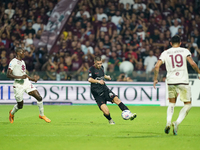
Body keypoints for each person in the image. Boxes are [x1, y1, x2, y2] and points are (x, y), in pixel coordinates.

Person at [153, 35, 200, 135]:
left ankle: (168, 122)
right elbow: (193, 64)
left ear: (170, 43)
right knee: (188, 105)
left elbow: (157, 66)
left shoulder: (165, 53)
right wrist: (199, 73)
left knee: (171, 103)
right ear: (180, 43)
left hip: (171, 81)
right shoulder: (185, 51)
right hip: (183, 81)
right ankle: (177, 122)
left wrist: (155, 79)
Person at [7, 47, 51, 123]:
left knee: (39, 97)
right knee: (20, 106)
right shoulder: (13, 62)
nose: (24, 53)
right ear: (18, 53)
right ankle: (11, 113)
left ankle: (42, 115)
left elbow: (24, 75)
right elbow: (8, 74)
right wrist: (20, 77)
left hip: (26, 82)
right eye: (22, 52)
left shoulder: (23, 62)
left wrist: (32, 79)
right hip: (18, 85)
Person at [88, 56, 137, 124]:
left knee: (116, 99)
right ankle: (110, 120)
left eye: (100, 63)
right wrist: (98, 81)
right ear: (94, 62)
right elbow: (89, 79)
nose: (99, 65)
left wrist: (106, 76)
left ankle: (129, 114)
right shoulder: (91, 69)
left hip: (104, 89)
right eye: (98, 64)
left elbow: (102, 75)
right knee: (106, 112)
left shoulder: (102, 67)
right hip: (97, 93)